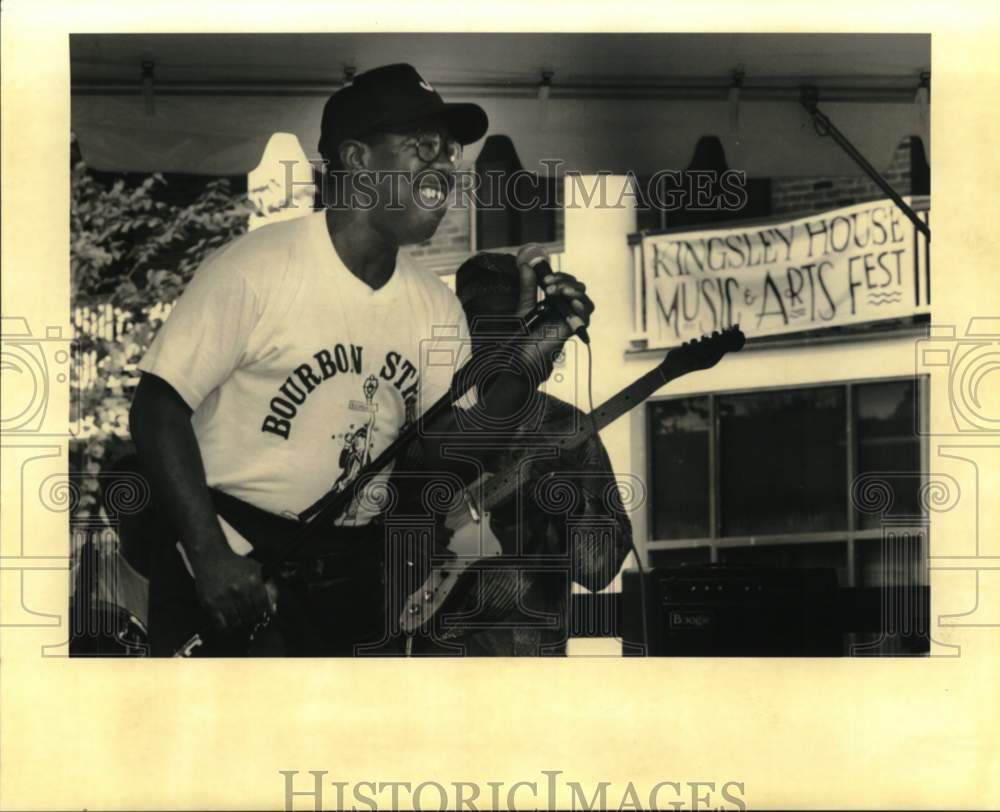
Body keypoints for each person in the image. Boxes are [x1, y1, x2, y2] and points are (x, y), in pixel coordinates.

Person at [128, 63, 594, 656]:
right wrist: (209, 554)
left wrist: (528, 358)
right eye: (422, 145)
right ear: (357, 158)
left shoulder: (433, 305)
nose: (444, 166)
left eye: (448, 150)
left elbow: (442, 453)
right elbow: (156, 410)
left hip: (347, 566)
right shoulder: (253, 270)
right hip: (234, 554)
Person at [404, 252, 632, 656]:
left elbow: (598, 571)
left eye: (509, 322)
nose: (492, 337)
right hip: (438, 668)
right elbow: (385, 553)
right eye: (476, 323)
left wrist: (568, 501)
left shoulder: (566, 427)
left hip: (534, 668)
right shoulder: (430, 424)